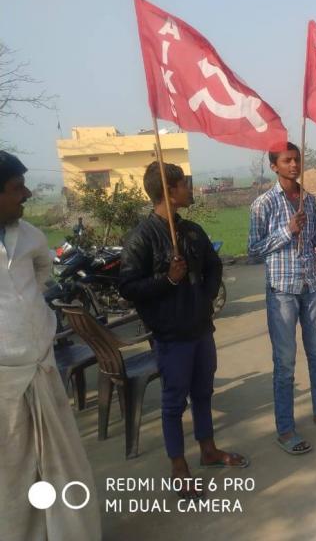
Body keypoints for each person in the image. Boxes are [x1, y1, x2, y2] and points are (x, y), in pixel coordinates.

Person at [120, 161, 248, 500]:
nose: (190, 189)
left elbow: (214, 265)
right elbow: (129, 287)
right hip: (170, 335)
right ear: (169, 190)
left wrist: (204, 298)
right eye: (184, 184)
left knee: (203, 393)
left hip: (200, 329)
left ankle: (208, 450)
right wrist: (168, 280)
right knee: (174, 402)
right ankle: (179, 466)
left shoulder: (191, 230)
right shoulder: (141, 237)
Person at [0, 151, 101, 540]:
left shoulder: (29, 235)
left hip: (41, 368)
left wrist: (32, 305)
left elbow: (44, 269)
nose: (25, 194)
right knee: (12, 476)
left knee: (62, 465)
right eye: (15, 188)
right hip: (5, 384)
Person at [248, 143, 316, 457]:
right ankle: (286, 429)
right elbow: (253, 251)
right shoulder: (263, 204)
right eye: (287, 161)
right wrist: (286, 230)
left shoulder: (309, 200)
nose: (294, 165)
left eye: (297, 160)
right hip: (282, 290)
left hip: (312, 285)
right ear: (274, 166)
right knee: (285, 364)